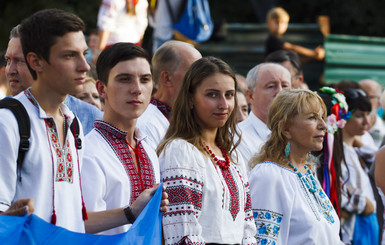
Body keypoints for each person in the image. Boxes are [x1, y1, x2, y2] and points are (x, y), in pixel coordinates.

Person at [0, 8, 168, 234]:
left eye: (84, 53)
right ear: (37, 62)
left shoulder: (73, 124)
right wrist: (11, 220)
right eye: (69, 55)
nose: (85, 65)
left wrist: (131, 212)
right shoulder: (8, 121)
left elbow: (76, 222)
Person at [158, 56, 257, 244]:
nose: (223, 104)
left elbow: (248, 226)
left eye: (229, 95)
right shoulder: (180, 151)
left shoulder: (233, 155)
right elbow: (183, 231)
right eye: (212, 94)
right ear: (190, 99)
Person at [81, 42, 160, 235]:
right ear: (102, 89)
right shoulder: (89, 153)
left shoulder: (148, 147)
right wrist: (130, 212)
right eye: (124, 79)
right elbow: (81, 224)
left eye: (145, 79)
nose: (137, 89)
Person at [248, 89, 343, 244]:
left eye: (323, 118)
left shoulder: (306, 172)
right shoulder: (269, 176)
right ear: (286, 129)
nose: (323, 126)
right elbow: (264, 240)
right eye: (312, 118)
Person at [4, 24, 103, 135]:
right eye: (8, 60)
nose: (10, 70)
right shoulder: (3, 114)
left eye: (19, 61)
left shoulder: (93, 119)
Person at [137, 40, 202, 150]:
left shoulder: (195, 118)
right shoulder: (147, 125)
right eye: (194, 73)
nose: (202, 80)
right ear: (167, 78)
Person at [337, 87, 379, 244]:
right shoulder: (337, 152)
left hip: (366, 224)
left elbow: (377, 159)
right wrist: (363, 203)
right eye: (359, 116)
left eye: (368, 115)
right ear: (344, 118)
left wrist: (358, 144)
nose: (367, 122)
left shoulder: (355, 148)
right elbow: (338, 189)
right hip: (353, 229)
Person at [237, 62, 291, 170]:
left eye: (285, 86)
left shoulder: (299, 134)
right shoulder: (237, 138)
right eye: (271, 86)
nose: (280, 92)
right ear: (250, 95)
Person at [359, 79, 385, 149]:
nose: (360, 100)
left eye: (367, 96)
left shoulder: (383, 130)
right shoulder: (347, 128)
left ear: (378, 103)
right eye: (358, 94)